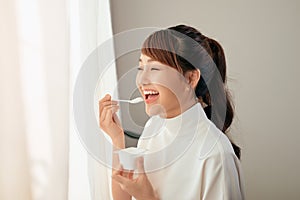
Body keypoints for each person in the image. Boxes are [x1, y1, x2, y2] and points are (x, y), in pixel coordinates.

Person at [99, 24, 245, 200]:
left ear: (190, 78)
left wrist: (148, 197)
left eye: (154, 69)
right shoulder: (154, 127)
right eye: (140, 68)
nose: (142, 80)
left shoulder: (216, 156)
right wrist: (117, 139)